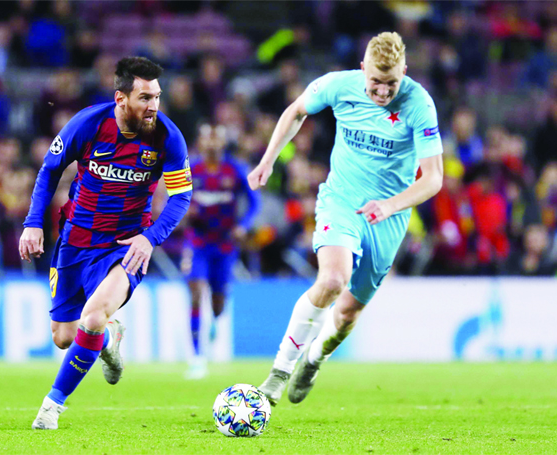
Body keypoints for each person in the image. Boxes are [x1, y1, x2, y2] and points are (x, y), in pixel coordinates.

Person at [248, 32, 443, 405]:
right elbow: (296, 111)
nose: (383, 91)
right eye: (375, 82)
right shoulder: (338, 86)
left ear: (404, 71)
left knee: (349, 312)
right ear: (361, 70)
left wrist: (390, 205)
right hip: (341, 201)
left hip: (389, 216)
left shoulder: (420, 104)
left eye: (391, 83)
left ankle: (315, 358)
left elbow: (433, 178)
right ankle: (278, 374)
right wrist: (268, 160)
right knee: (333, 279)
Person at [19, 57, 192, 429]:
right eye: (145, 98)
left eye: (157, 97)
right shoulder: (88, 124)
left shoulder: (167, 137)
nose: (154, 107)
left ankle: (52, 407)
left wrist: (150, 238)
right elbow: (50, 170)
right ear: (121, 97)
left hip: (124, 246)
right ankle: (111, 334)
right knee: (65, 337)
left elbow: (181, 195)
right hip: (75, 242)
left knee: (92, 317)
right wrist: (34, 223)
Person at [182, 123, 260, 379]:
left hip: (225, 243)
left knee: (218, 302)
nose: (212, 144)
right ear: (201, 142)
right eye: (208, 139)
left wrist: (243, 226)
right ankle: (196, 357)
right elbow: (173, 197)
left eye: (217, 139)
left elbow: (254, 202)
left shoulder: (234, 169)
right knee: (195, 292)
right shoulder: (190, 169)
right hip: (198, 241)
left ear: (223, 143)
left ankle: (215, 321)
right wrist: (185, 213)